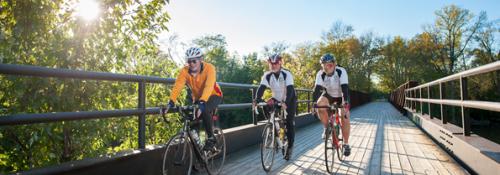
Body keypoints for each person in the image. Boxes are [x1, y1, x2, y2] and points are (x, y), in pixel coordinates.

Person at [168, 47, 223, 151]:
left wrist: (202, 103)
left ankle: (211, 138)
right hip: (198, 98)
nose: (191, 64)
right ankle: (199, 151)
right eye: (189, 61)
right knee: (192, 119)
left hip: (214, 94)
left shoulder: (209, 68)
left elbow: (209, 85)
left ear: (201, 59)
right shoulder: (185, 71)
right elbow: (178, 85)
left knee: (205, 109)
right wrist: (171, 101)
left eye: (194, 61)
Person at [253, 53, 297, 160]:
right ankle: (273, 127)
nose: (273, 65)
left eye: (276, 63)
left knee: (289, 122)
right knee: (266, 105)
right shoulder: (267, 75)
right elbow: (261, 88)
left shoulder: (287, 74)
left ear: (280, 63)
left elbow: (290, 90)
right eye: (271, 63)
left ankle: (290, 147)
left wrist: (285, 102)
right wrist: (256, 100)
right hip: (276, 98)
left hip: (289, 99)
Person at [312, 53, 352, 157]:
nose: (327, 67)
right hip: (329, 95)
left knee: (345, 115)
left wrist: (345, 103)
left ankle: (346, 144)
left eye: (329, 65)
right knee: (320, 104)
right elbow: (316, 90)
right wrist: (313, 104)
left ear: (334, 64)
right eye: (324, 65)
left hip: (341, 95)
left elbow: (344, 88)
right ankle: (327, 128)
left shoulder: (341, 71)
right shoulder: (320, 74)